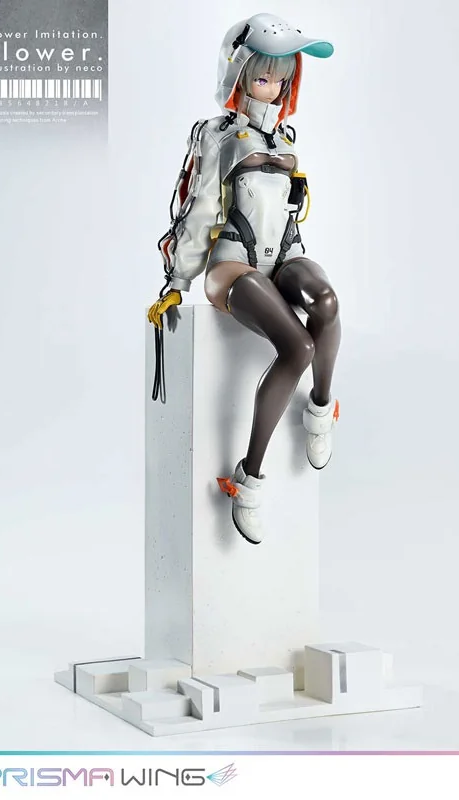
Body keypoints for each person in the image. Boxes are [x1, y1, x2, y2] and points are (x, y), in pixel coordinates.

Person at [148, 13, 341, 545]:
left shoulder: (287, 137)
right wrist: (176, 281)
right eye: (263, 76)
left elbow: (288, 215)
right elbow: (198, 210)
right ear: (237, 74)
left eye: (282, 77)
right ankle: (249, 479)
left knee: (326, 301)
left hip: (283, 256)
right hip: (233, 265)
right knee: (297, 346)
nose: (273, 87)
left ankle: (321, 409)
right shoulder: (217, 137)